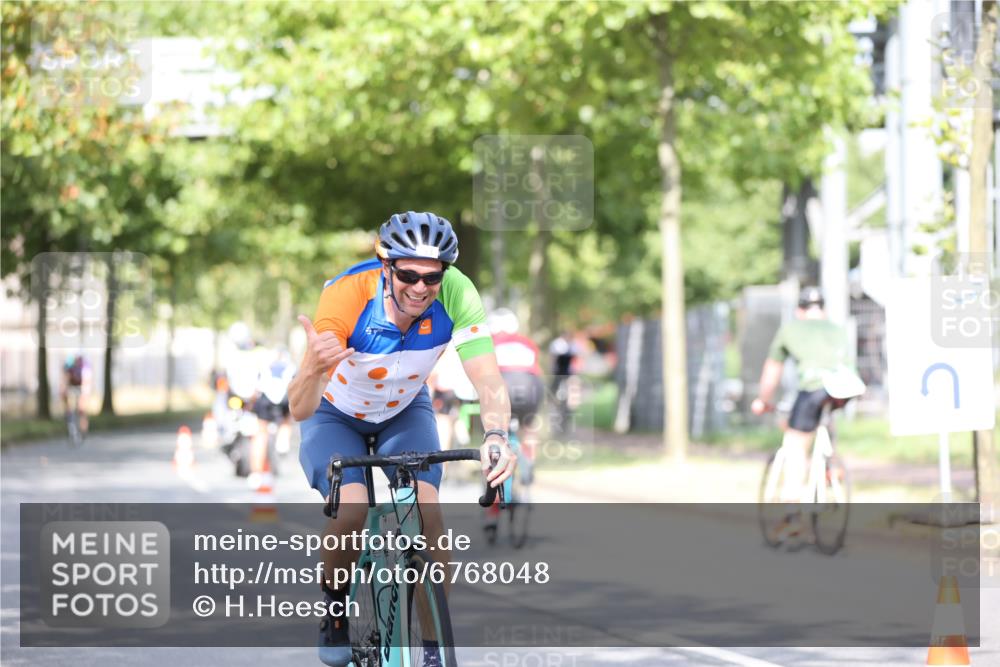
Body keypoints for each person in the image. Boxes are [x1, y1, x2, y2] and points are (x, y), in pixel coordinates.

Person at [288, 211, 516, 667]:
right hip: (336, 414)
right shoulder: (348, 294)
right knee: (352, 508)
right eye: (408, 274)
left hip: (403, 411)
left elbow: (487, 378)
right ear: (385, 266)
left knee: (428, 514)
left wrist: (495, 434)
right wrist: (312, 368)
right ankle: (335, 609)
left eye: (432, 277)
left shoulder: (457, 293)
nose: (420, 287)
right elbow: (300, 409)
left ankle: (433, 650)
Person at [751, 286, 856, 505]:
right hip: (847, 388)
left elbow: (772, 370)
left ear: (800, 311)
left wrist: (763, 400)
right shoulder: (837, 329)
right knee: (825, 414)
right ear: (823, 310)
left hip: (814, 387)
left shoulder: (790, 330)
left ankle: (792, 512)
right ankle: (831, 465)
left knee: (795, 444)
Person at [60, 352, 92, 438]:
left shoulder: (84, 365)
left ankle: (83, 428)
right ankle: (68, 413)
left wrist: (84, 393)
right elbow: (65, 378)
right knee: (64, 395)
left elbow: (87, 381)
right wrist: (63, 390)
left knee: (81, 408)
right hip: (72, 385)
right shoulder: (69, 363)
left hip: (82, 385)